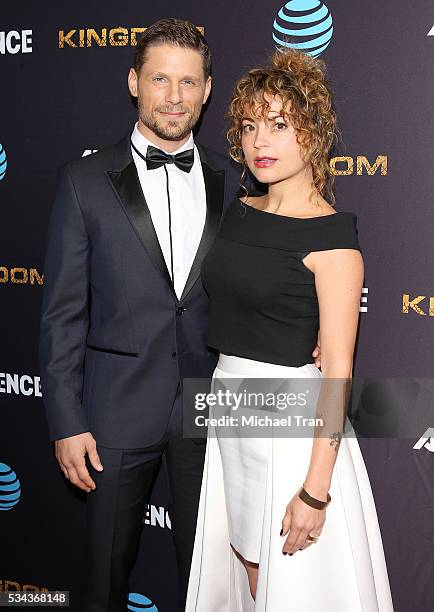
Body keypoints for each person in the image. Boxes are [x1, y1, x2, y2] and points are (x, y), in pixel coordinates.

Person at [38, 18, 322, 612]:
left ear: (208, 89)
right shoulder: (83, 182)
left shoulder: (235, 180)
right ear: (134, 81)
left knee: (211, 581)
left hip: (211, 411)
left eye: (188, 82)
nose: (174, 96)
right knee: (102, 581)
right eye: (161, 79)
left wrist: (310, 330)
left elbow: (271, 272)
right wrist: (65, 419)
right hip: (113, 413)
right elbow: (62, 313)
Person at [185, 48, 394, 611]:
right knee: (249, 572)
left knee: (291, 583)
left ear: (313, 133)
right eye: (251, 126)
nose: (260, 142)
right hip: (229, 407)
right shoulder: (238, 210)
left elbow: (339, 373)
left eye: (279, 125)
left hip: (290, 425)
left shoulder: (333, 240)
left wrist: (315, 490)